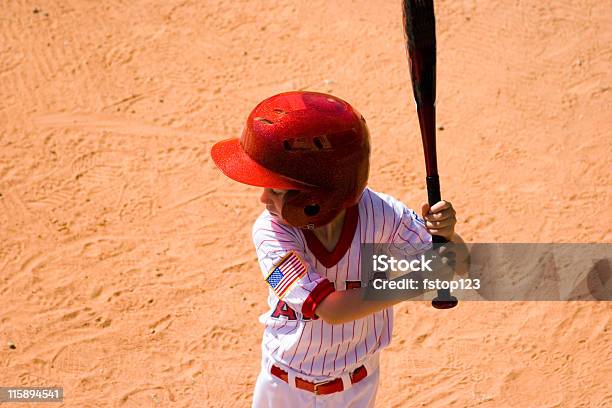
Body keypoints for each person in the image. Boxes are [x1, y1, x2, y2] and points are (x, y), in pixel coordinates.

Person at [211, 91, 459, 407]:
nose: (262, 199)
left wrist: (445, 236)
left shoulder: (384, 216)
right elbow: (332, 308)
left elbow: (447, 268)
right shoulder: (270, 233)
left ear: (316, 197)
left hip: (357, 388)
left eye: (275, 189)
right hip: (284, 387)